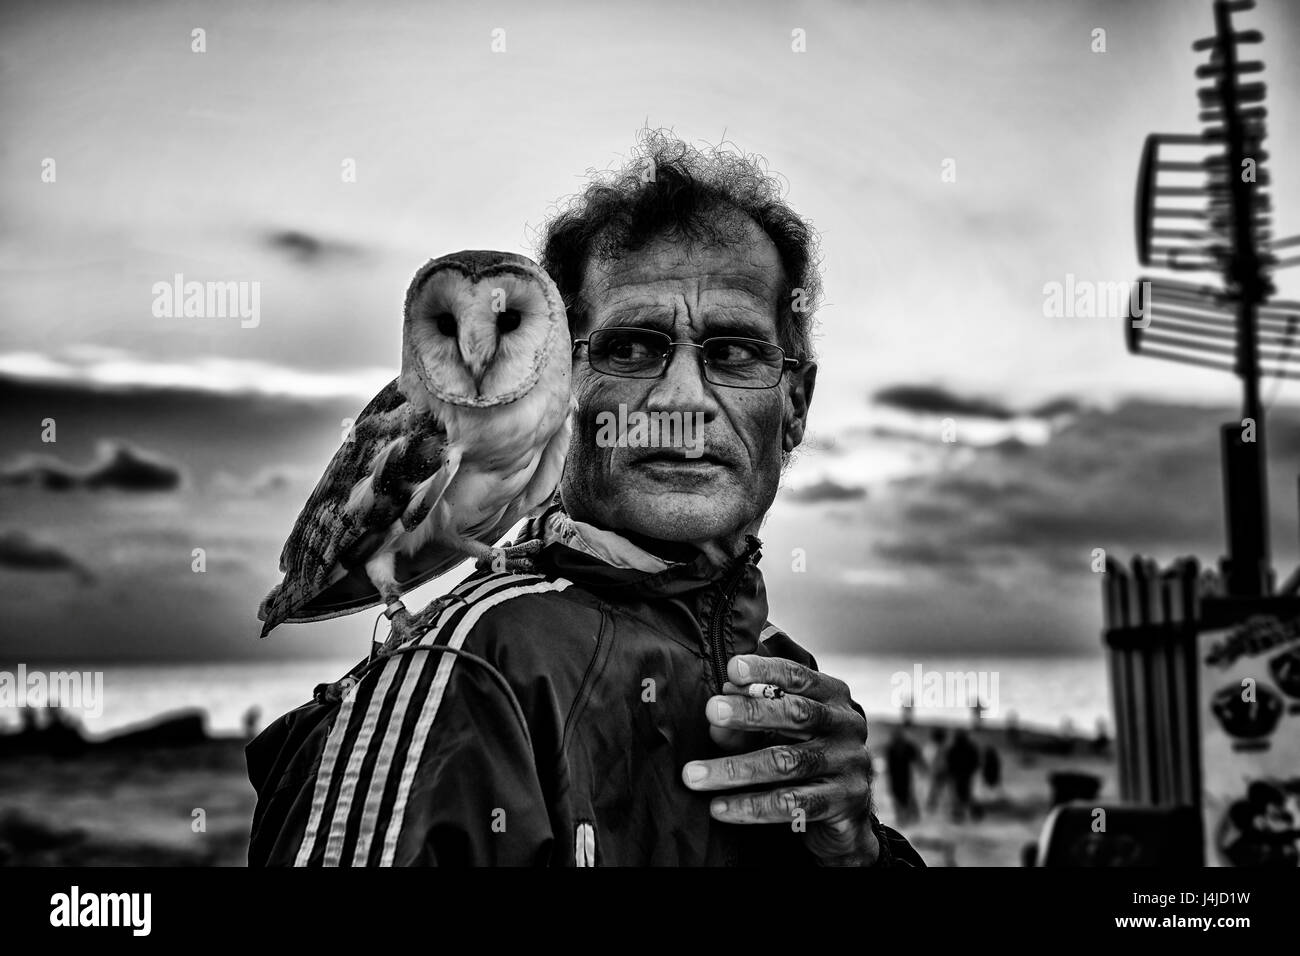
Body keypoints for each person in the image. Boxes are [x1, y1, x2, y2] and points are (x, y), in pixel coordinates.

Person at [245, 130, 922, 867]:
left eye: (733, 352)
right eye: (632, 348)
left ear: (793, 405)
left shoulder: (780, 675)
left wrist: (864, 854)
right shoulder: (461, 674)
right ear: (559, 382)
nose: (685, 399)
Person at [884, 727, 923, 825]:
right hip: (897, 777)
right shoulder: (892, 748)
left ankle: (905, 817)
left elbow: (916, 756)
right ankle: (903, 817)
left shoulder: (895, 747)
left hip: (903, 777)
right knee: (900, 796)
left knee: (904, 796)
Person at [946, 730, 982, 823]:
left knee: (959, 796)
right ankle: (973, 814)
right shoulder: (971, 748)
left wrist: (951, 772)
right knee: (966, 795)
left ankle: (959, 816)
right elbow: (976, 762)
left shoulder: (953, 748)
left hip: (958, 775)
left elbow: (949, 762)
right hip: (966, 775)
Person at [924, 727, 949, 815]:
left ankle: (932, 807)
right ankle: (932, 807)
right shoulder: (938, 748)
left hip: (937, 774)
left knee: (935, 792)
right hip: (938, 774)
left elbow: (928, 761)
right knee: (936, 792)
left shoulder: (931, 748)